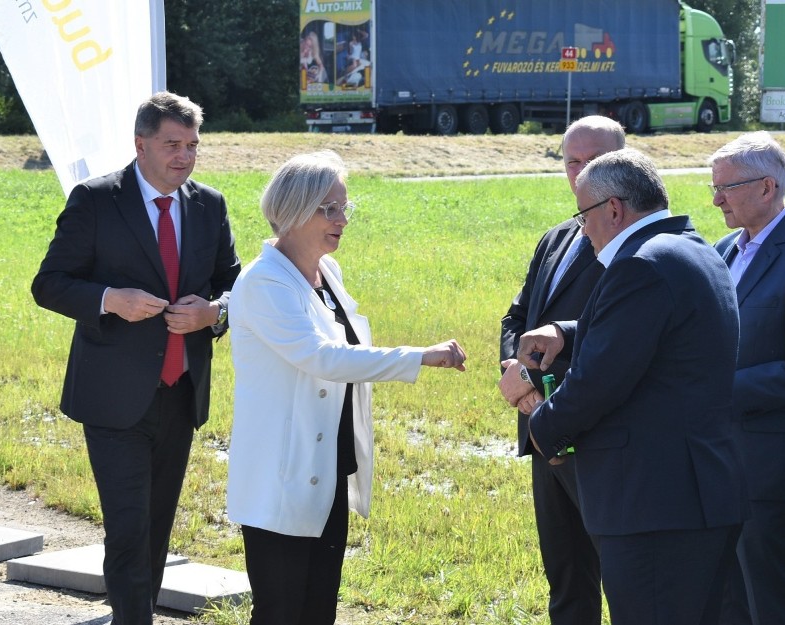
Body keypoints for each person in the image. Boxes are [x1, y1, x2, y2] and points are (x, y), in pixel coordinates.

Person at [226, 150, 467, 625]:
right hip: (282, 474)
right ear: (293, 211)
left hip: (329, 467)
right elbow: (324, 358)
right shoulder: (262, 283)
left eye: (344, 208)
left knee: (317, 611)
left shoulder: (326, 272)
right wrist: (419, 355)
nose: (342, 220)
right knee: (280, 612)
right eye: (329, 209)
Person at [31, 91, 241, 624]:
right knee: (128, 528)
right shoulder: (96, 200)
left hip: (181, 393)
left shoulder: (209, 205)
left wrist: (214, 313)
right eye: (172, 144)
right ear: (140, 144)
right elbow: (49, 284)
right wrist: (110, 300)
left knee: (156, 525)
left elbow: (235, 286)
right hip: (114, 398)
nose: (184, 156)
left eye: (192, 145)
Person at [516, 148, 746, 625]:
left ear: (613, 209)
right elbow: (658, 334)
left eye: (583, 215)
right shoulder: (690, 248)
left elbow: (598, 383)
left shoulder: (639, 265)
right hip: (695, 496)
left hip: (654, 507)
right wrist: (568, 332)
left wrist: (539, 421)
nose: (581, 230)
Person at [498, 115, 625, 625]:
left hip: (594, 433)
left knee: (620, 575)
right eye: (572, 160)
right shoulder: (556, 238)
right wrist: (518, 372)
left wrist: (540, 386)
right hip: (541, 432)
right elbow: (518, 316)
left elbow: (614, 339)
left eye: (593, 160)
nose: (580, 172)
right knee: (566, 576)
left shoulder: (632, 244)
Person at [709, 132, 785, 625]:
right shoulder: (723, 249)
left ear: (767, 187)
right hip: (715, 455)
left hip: (767, 459)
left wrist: (720, 391)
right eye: (713, 187)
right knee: (726, 599)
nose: (716, 199)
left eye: (726, 188)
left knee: (768, 597)